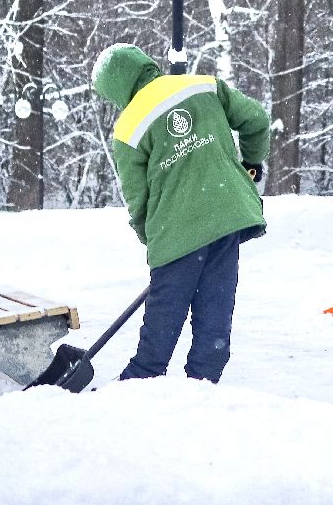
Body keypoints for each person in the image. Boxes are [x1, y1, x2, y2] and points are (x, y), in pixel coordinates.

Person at [91, 43, 269, 382]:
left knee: (164, 313)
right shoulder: (202, 85)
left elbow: (137, 199)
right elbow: (257, 120)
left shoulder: (128, 128)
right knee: (215, 310)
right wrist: (252, 161)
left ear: (116, 86)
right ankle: (203, 384)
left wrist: (155, 239)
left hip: (175, 230)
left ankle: (139, 381)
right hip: (226, 215)